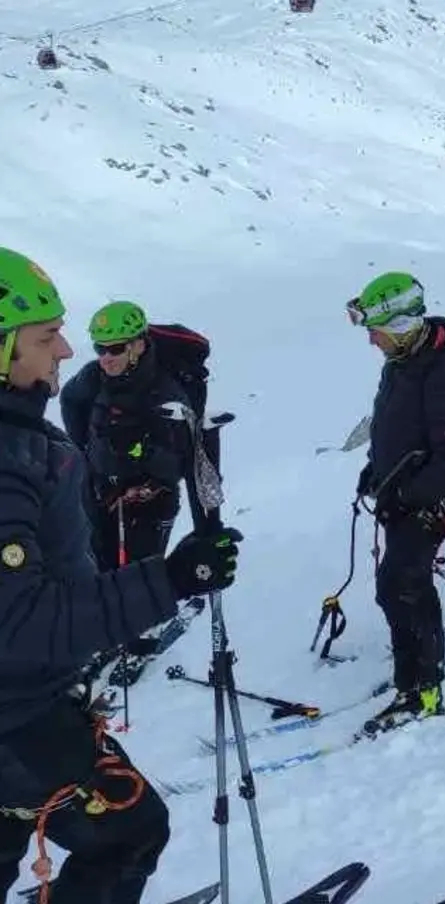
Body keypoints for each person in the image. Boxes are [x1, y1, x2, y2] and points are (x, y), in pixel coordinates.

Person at [0, 247, 241, 904]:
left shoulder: (24, 438)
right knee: (131, 832)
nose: (68, 349)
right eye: (46, 336)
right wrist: (172, 580)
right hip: (21, 719)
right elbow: (19, 622)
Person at [349, 272, 445, 733]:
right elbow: (392, 426)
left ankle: (423, 690)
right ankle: (412, 678)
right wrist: (375, 469)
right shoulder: (403, 363)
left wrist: (404, 494)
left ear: (402, 325)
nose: (370, 339)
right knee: (397, 586)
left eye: (376, 329)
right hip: (402, 496)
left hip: (423, 502)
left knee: (404, 587)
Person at [59, 301, 208, 683]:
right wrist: (86, 454)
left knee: (142, 572)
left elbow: (180, 460)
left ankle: (143, 641)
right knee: (101, 568)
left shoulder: (165, 391)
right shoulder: (94, 378)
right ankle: (108, 636)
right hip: (100, 494)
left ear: (139, 345)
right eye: (100, 348)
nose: (105, 358)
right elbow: (70, 401)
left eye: (115, 348)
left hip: (148, 500)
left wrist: (139, 453)